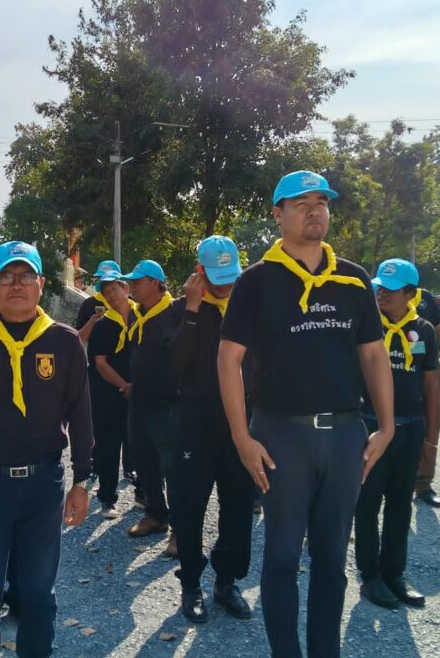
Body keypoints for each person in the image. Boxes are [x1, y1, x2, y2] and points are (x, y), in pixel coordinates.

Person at [218, 170, 394, 658]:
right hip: (281, 436)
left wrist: (386, 426)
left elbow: (374, 355)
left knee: (332, 560)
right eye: (301, 203)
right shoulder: (256, 281)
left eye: (322, 201)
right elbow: (228, 360)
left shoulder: (354, 279)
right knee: (281, 557)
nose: (315, 210)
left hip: (344, 435)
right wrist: (241, 437)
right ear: (278, 214)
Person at [0, 241, 92, 658]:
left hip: (44, 485)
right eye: (6, 275)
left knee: (39, 594)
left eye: (26, 275)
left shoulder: (64, 342)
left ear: (42, 283)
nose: (17, 284)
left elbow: (81, 415)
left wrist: (82, 480)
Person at [171, 235, 254, 624]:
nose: (225, 286)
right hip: (194, 422)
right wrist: (191, 310)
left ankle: (226, 581)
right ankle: (191, 583)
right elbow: (174, 366)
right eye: (217, 278)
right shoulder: (180, 309)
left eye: (231, 278)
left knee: (238, 505)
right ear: (199, 272)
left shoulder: (249, 308)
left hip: (240, 424)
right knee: (189, 506)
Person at [355, 259, 440, 610]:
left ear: (410, 293)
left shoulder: (423, 331)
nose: (382, 295)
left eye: (391, 290)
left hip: (409, 428)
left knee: (400, 504)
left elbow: (432, 385)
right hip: (371, 426)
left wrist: (430, 440)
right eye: (380, 287)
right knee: (367, 502)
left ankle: (394, 573)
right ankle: (369, 575)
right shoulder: (366, 325)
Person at [122, 259, 183, 554]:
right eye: (130, 281)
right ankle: (156, 515)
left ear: (156, 283)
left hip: (168, 403)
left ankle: (181, 530)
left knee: (173, 467)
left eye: (137, 281)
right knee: (143, 461)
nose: (131, 286)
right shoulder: (136, 315)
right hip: (140, 401)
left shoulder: (175, 312)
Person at [86, 270, 137, 519]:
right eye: (106, 293)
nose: (111, 295)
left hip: (139, 391)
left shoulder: (142, 317)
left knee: (140, 443)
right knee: (108, 446)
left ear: (125, 288)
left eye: (114, 289)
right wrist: (125, 386)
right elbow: (100, 363)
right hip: (108, 392)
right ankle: (107, 498)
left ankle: (146, 495)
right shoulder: (104, 325)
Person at [412, 285, 440, 508]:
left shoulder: (425, 298)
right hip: (394, 367)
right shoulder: (379, 297)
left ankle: (423, 483)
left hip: (428, 367)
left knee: (432, 423)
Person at [76, 260, 122, 343]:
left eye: (109, 280)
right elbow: (79, 338)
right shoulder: (89, 304)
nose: (104, 282)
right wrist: (92, 322)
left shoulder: (130, 303)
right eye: (101, 278)